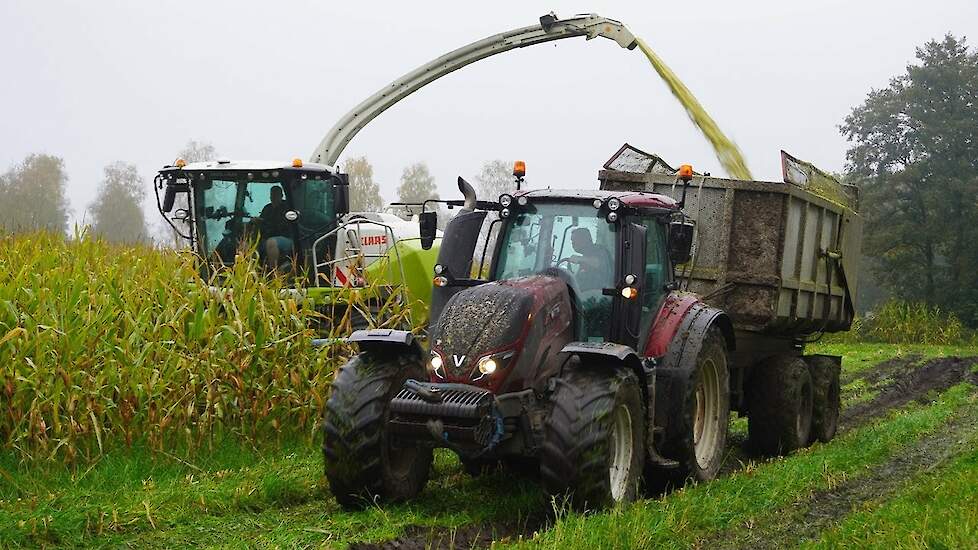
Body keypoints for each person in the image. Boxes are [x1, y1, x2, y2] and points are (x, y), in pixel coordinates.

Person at [258, 186, 294, 269]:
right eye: (272, 195)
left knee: (271, 242)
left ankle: (272, 272)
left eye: (275, 195)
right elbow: (262, 222)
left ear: (281, 195)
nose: (273, 197)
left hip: (287, 238)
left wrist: (266, 222)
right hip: (266, 237)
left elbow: (285, 225)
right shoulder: (267, 208)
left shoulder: (288, 207)